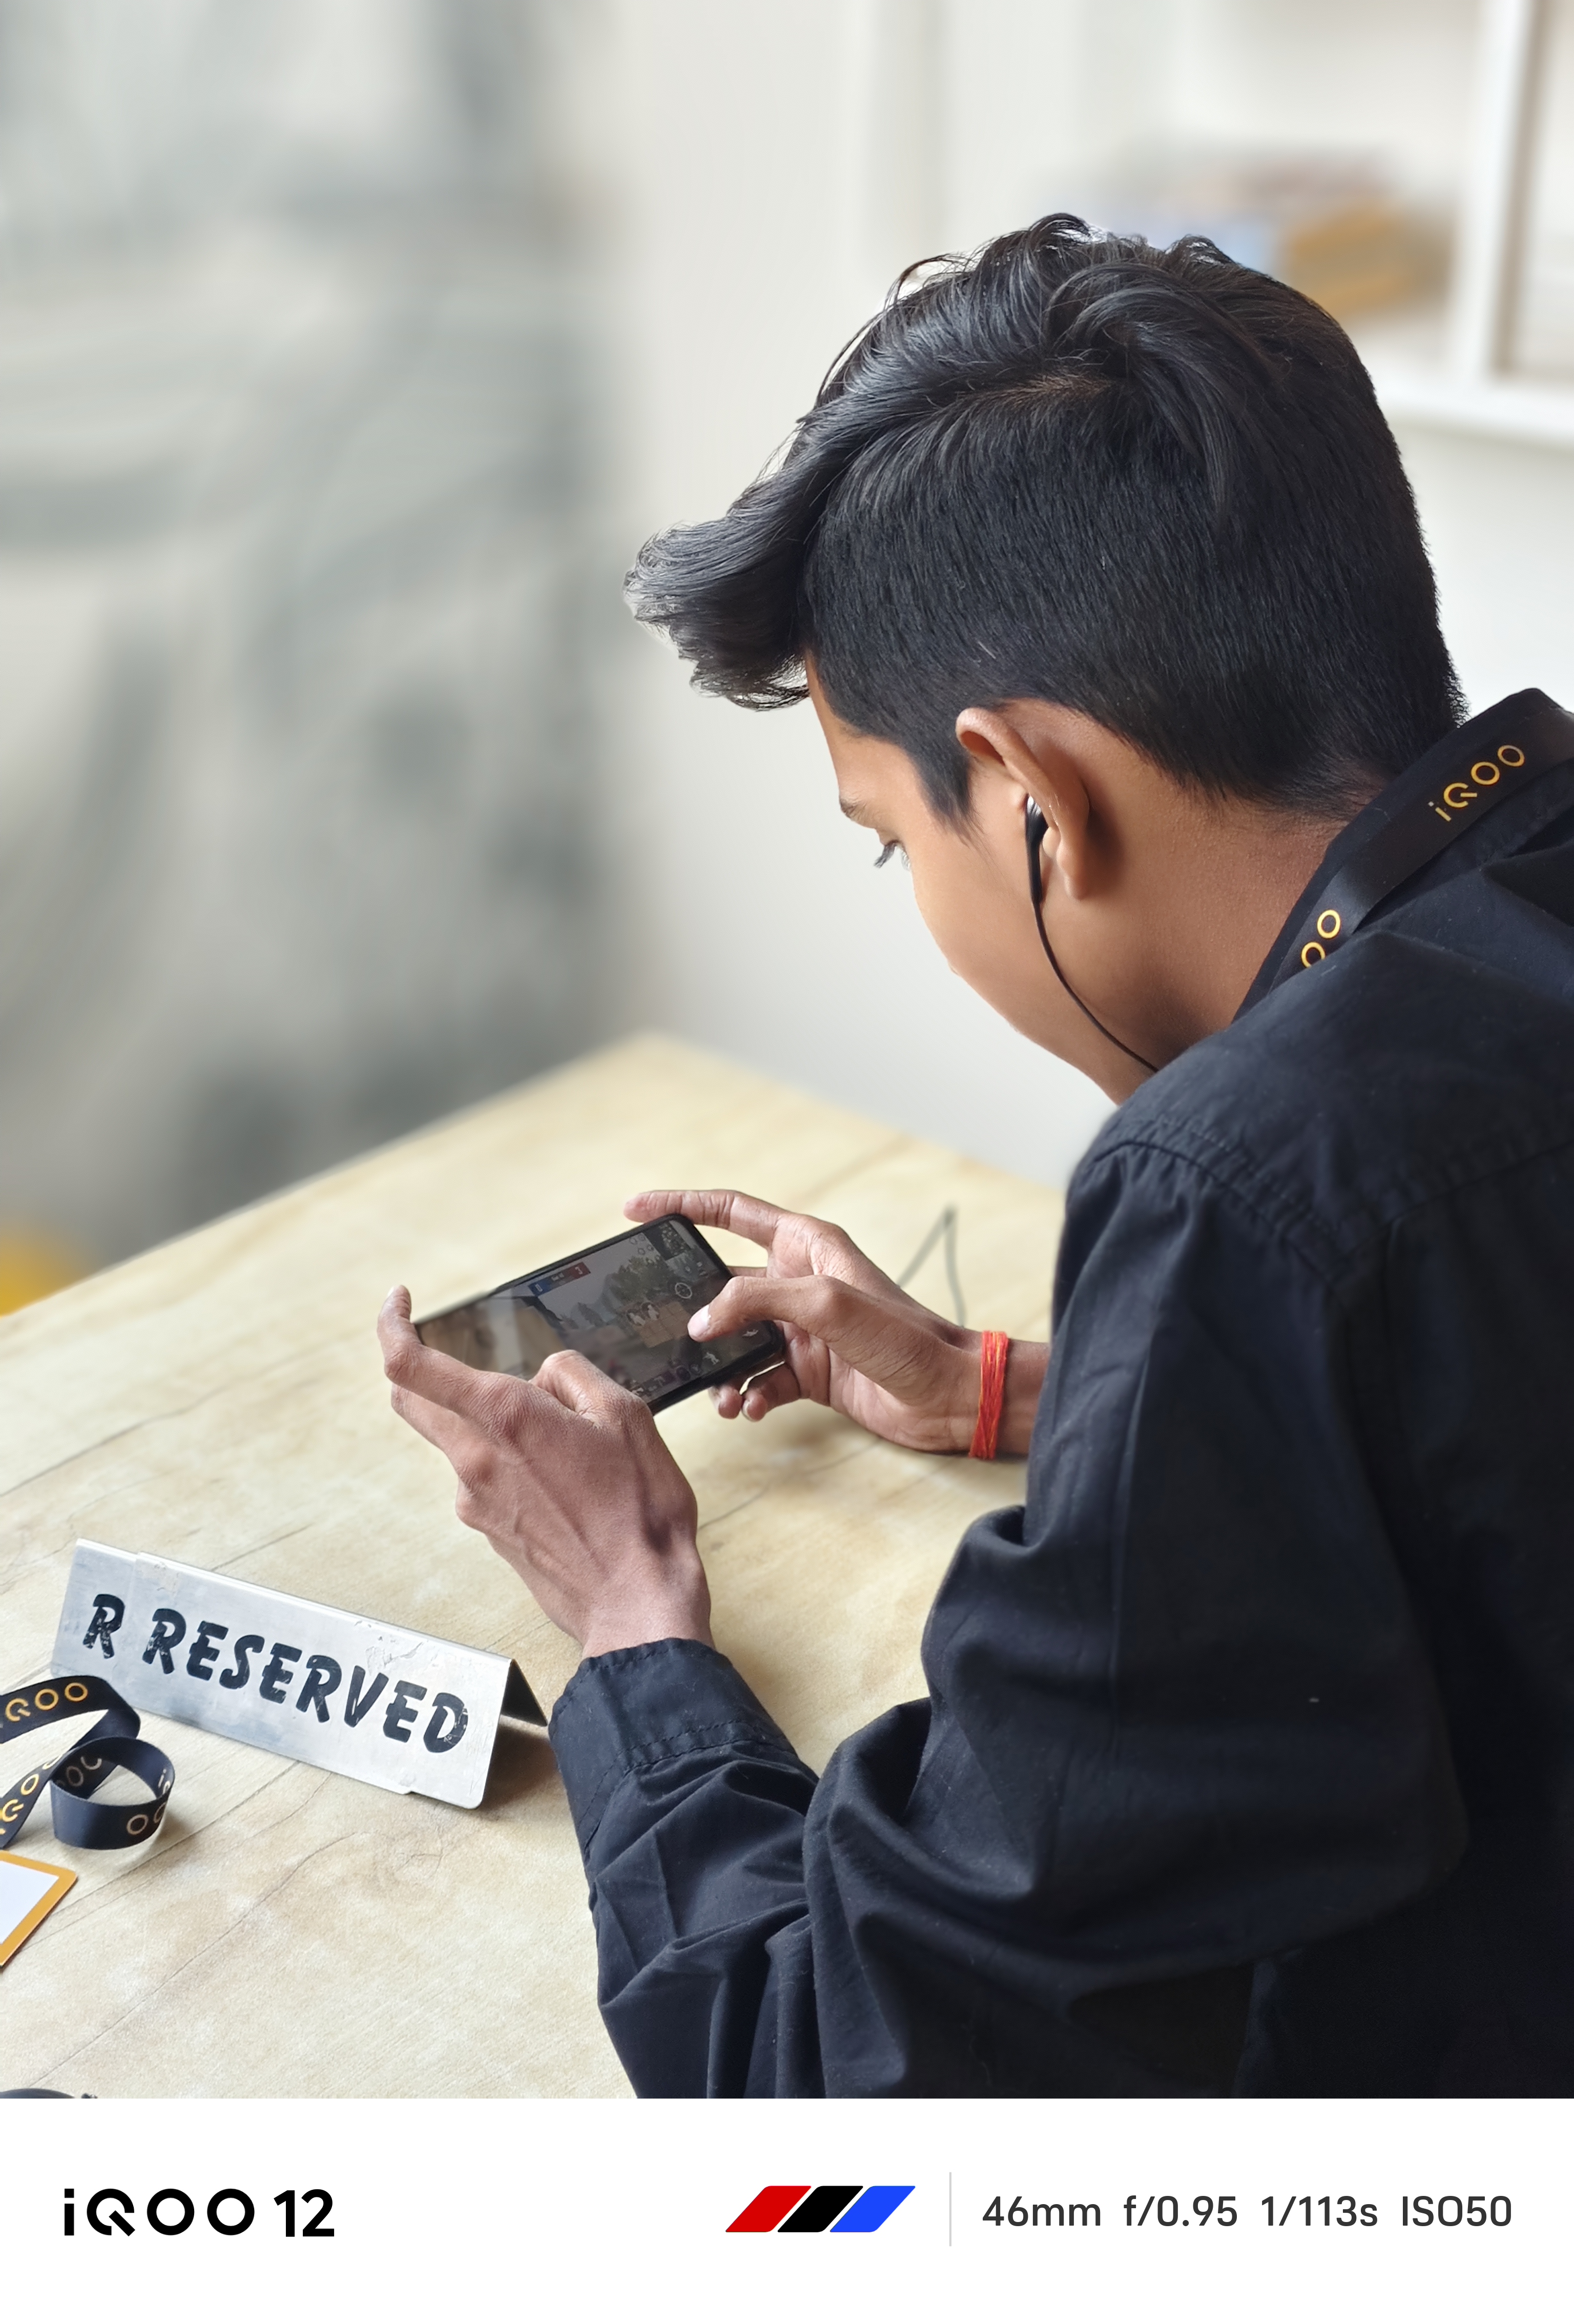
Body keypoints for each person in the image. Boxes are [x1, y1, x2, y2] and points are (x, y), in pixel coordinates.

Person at [378, 216, 1574, 2097]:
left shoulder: (1241, 1187)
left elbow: (849, 2113)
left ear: (1028, 795)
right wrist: (1016, 1390)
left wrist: (630, 1630)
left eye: (891, 837)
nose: (912, 887)